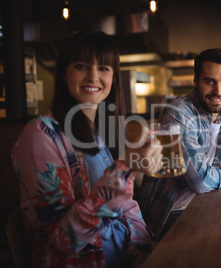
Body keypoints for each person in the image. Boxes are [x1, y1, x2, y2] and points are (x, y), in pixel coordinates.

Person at [11, 31, 162, 268]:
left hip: (124, 256)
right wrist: (124, 168)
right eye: (81, 66)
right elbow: (66, 239)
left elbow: (126, 205)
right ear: (64, 73)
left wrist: (143, 248)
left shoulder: (99, 130)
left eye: (103, 68)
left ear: (113, 77)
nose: (93, 77)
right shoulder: (40, 134)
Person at [137, 48, 221, 240]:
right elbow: (201, 181)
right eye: (209, 81)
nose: (218, 91)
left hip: (205, 202)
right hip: (167, 214)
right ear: (196, 81)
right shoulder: (178, 113)